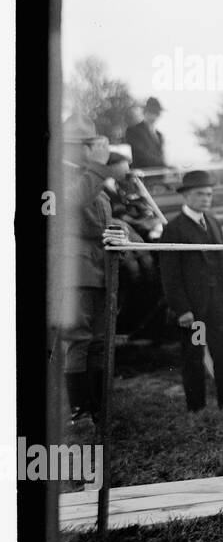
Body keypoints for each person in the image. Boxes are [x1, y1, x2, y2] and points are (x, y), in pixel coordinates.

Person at [58, 115, 130, 427]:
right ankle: (80, 412)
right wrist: (99, 166)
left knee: (100, 340)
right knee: (79, 338)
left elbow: (101, 219)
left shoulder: (90, 177)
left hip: (98, 266)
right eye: (88, 145)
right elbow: (75, 202)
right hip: (74, 267)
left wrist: (119, 233)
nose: (94, 150)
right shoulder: (61, 175)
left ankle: (99, 409)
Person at [159, 170, 223, 413]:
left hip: (218, 306)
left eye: (209, 194)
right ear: (186, 196)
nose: (206, 198)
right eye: (200, 194)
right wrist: (182, 309)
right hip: (194, 311)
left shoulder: (213, 221)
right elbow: (169, 274)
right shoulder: (174, 229)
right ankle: (197, 409)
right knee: (194, 356)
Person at [124, 96, 167, 169]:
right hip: (142, 176)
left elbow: (161, 155)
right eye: (151, 111)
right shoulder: (133, 131)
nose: (154, 115)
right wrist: (164, 165)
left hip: (158, 176)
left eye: (157, 112)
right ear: (145, 112)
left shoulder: (159, 135)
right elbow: (141, 155)